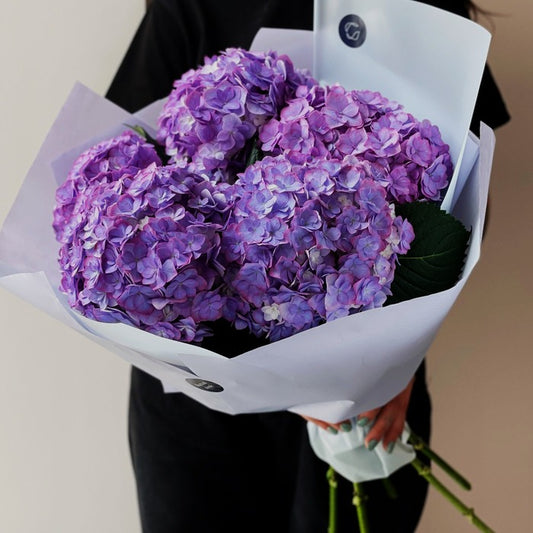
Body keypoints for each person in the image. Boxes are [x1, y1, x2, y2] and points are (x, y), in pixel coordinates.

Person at [106, 1, 509, 532]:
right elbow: (124, 174)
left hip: (370, 395)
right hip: (202, 396)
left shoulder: (422, 2)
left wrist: (392, 368)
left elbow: (467, 193)